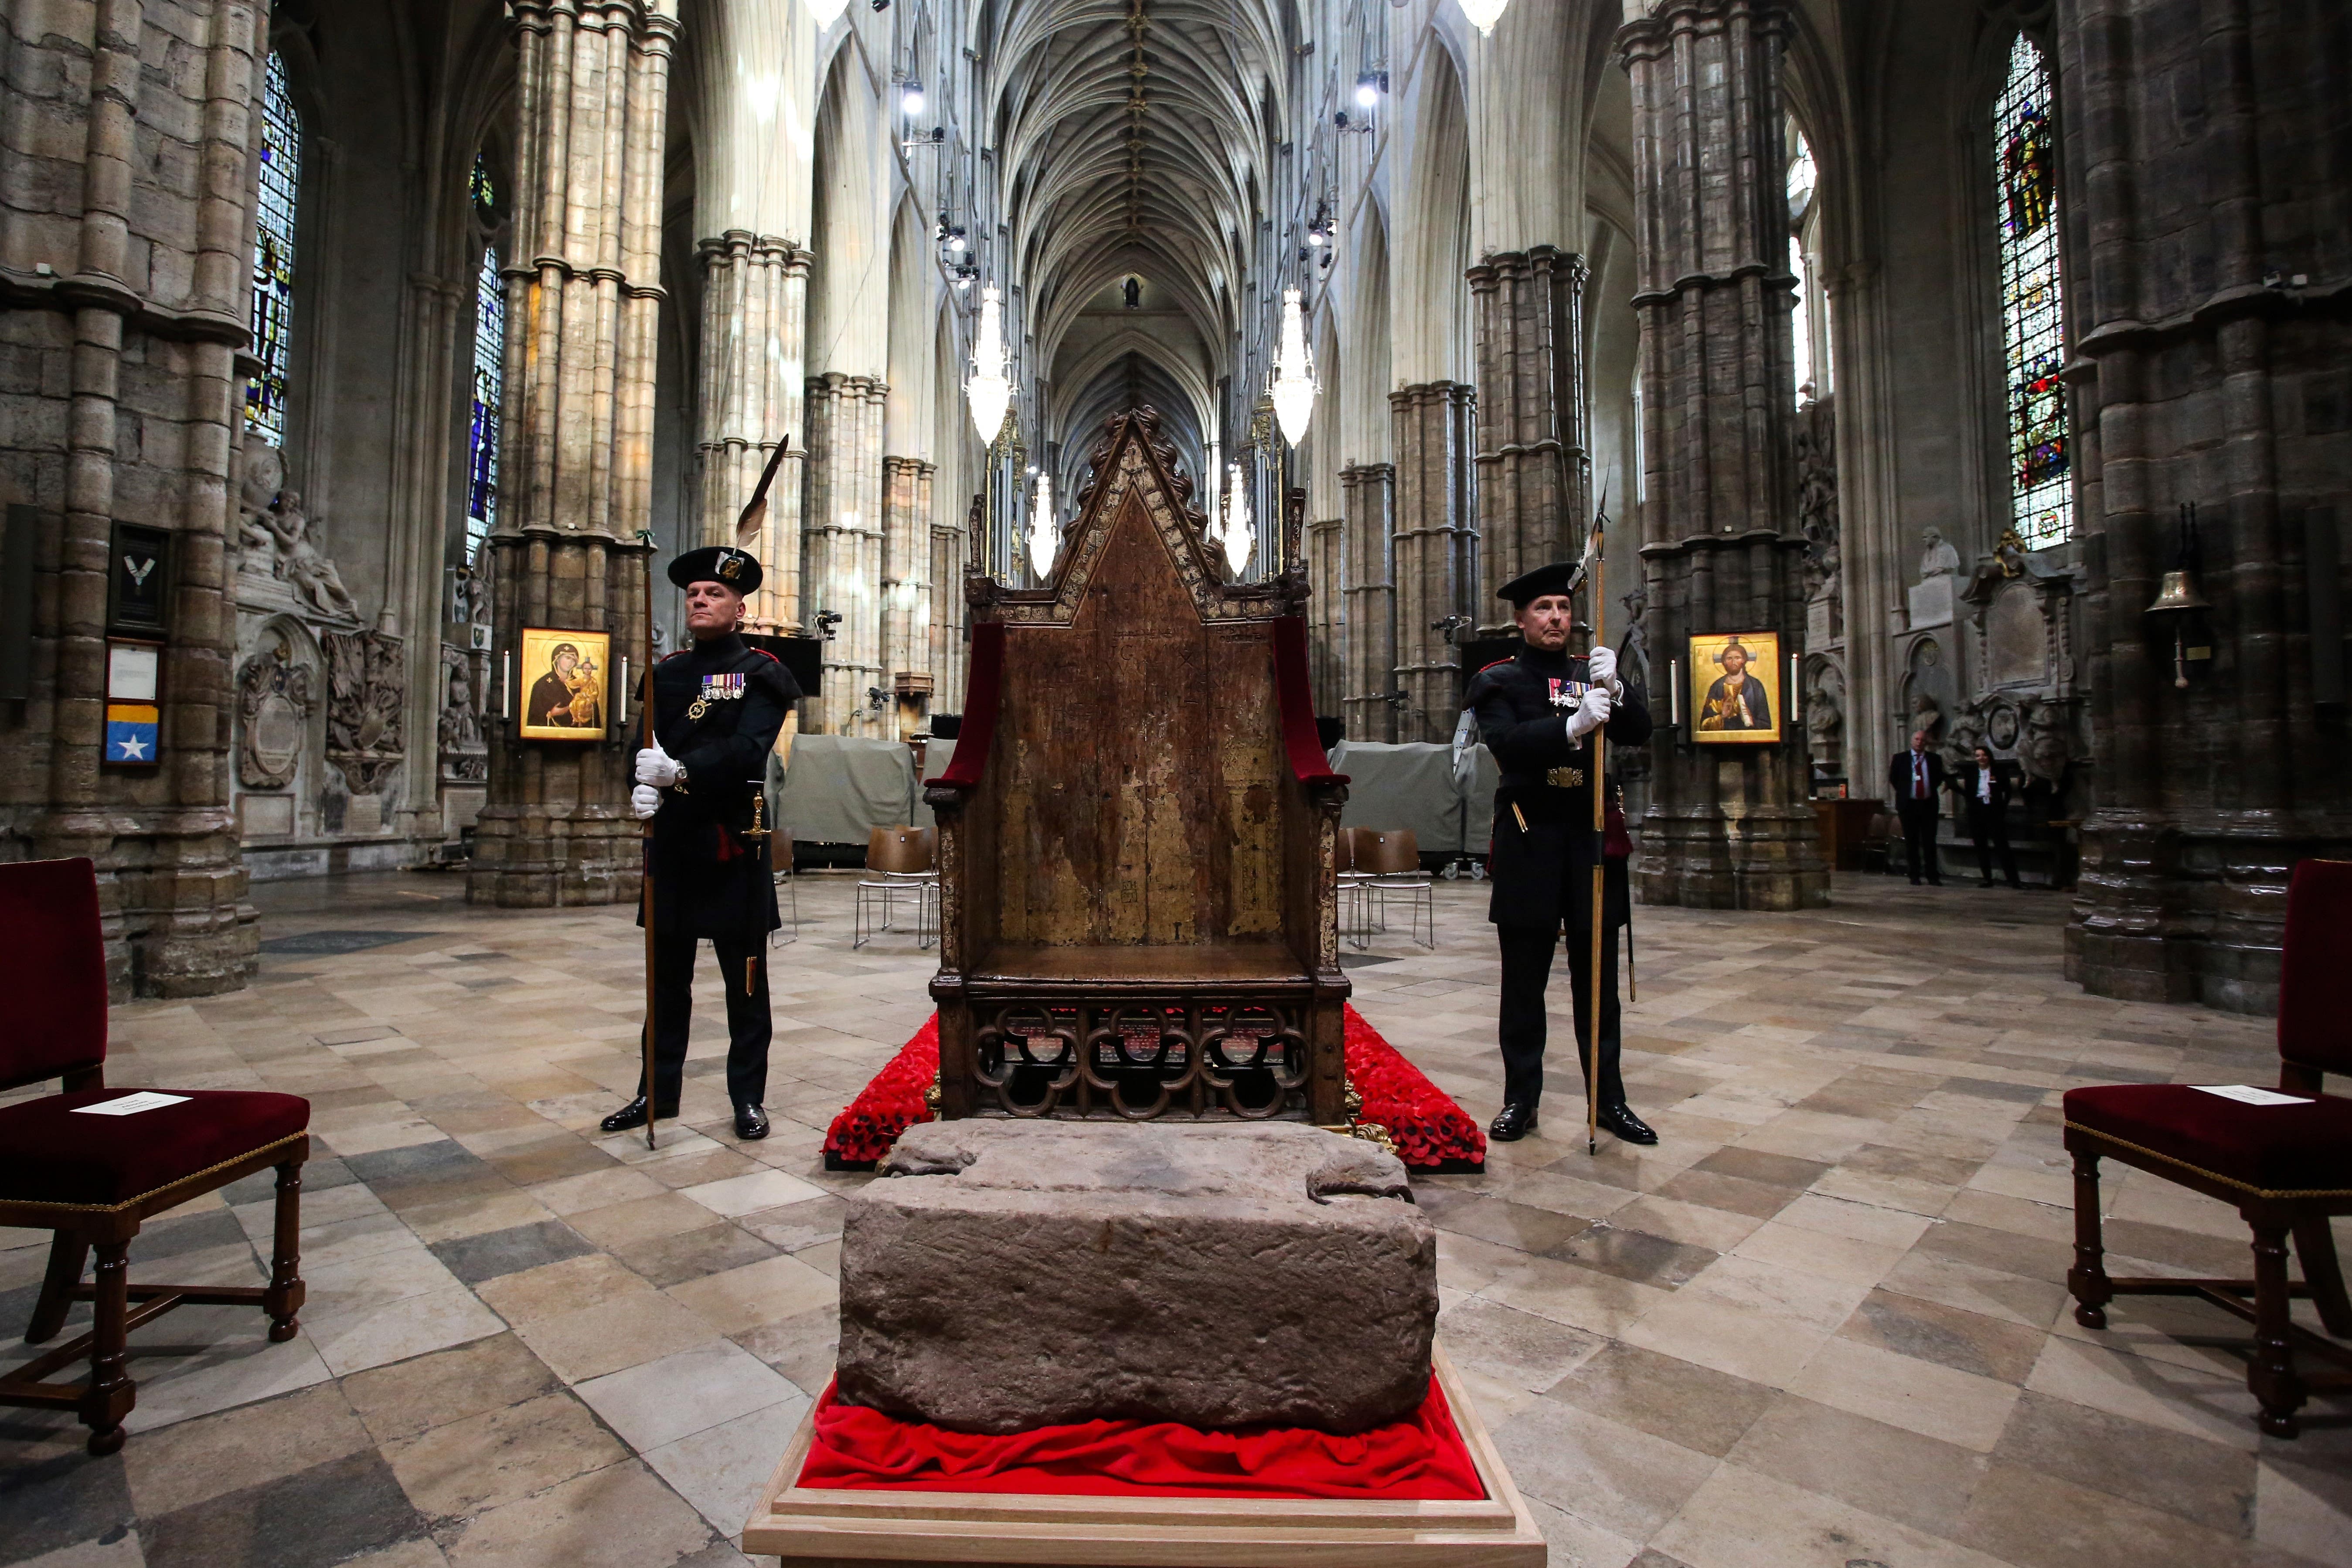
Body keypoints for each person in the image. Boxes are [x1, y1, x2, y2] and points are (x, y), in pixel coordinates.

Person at [602, 545, 803, 1142]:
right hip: (673, 848)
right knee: (664, 986)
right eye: (693, 593)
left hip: (733, 847)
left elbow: (748, 751)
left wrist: (678, 774)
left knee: (744, 985)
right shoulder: (664, 674)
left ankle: (747, 1098)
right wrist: (638, 786)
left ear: (739, 608)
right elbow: (639, 748)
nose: (699, 599)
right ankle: (655, 1094)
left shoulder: (762, 673)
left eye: (713, 593)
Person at [1469, 560, 1656, 1146]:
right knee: (1523, 984)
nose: (1557, 617)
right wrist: (1571, 727)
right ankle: (1519, 1100)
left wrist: (1617, 689)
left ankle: (1609, 1100)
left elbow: (1637, 731)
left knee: (1595, 982)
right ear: (1520, 620)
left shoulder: (1589, 671)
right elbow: (1505, 743)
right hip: (1530, 836)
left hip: (1588, 838)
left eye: (1563, 608)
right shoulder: (1497, 680)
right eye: (1544, 609)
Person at [1949, 745, 2022, 888]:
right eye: (1978, 756)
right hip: (1977, 811)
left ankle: (2014, 880)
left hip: (1994, 811)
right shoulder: (1972, 773)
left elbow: (2007, 790)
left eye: (1983, 755)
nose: (1981, 758)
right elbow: (1968, 791)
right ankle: (1987, 879)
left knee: (2002, 846)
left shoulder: (1999, 772)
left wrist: (2002, 807)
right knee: (1981, 846)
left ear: (1989, 756)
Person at [1886, 728, 1946, 886]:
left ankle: (1932, 875)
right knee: (1911, 841)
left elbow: (1938, 779)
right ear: (1912, 741)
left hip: (1928, 804)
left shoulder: (1934, 759)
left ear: (1927, 743)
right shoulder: (1901, 758)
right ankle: (1914, 875)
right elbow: (1894, 778)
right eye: (1917, 740)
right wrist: (1907, 792)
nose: (1920, 743)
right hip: (1909, 805)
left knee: (1929, 841)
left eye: (1923, 740)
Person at [1695, 637, 1770, 731]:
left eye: (1738, 658)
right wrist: (1722, 717)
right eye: (1729, 658)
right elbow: (1704, 726)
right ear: (1724, 662)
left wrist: (1752, 721)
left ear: (1744, 660)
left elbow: (1766, 724)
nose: (1733, 662)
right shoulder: (1717, 687)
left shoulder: (1755, 686)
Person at [528, 643, 592, 728]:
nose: (570, 663)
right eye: (568, 658)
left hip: (576, 735)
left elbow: (592, 713)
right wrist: (551, 714)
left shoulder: (580, 684)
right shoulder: (542, 685)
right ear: (557, 659)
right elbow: (534, 719)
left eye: (574, 660)